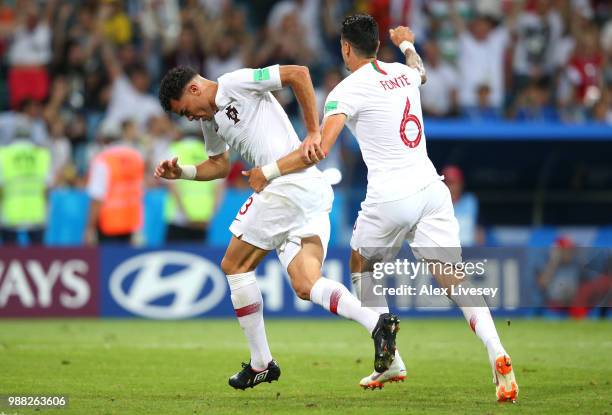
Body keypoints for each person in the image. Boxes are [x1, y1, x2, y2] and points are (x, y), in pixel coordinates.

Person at [243, 15, 518, 402]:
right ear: (377, 45)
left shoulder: (344, 92)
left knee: (360, 263)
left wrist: (267, 172)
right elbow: (419, 71)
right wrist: (407, 44)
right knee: (454, 278)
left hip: (391, 197)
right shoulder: (403, 74)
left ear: (344, 48)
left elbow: (317, 150)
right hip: (431, 189)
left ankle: (389, 358)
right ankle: (497, 350)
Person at [154, 64, 399, 390]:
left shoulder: (236, 83)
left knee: (234, 265)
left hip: (287, 185)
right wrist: (182, 172)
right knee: (305, 283)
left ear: (194, 89)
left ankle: (261, 363)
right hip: (309, 192)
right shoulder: (212, 120)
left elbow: (298, 73)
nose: (190, 118)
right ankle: (378, 323)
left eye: (185, 111)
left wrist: (314, 132)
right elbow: (218, 165)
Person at [85, 123, 145, 245]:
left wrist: (89, 228)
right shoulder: (135, 156)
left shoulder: (103, 159)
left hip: (109, 224)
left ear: (102, 139)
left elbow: (97, 197)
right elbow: (140, 189)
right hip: (131, 223)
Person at [0, 121, 51, 245]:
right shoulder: (41, 155)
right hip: (36, 212)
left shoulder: (4, 154)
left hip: (10, 212)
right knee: (38, 257)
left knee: (10, 257)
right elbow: (47, 187)